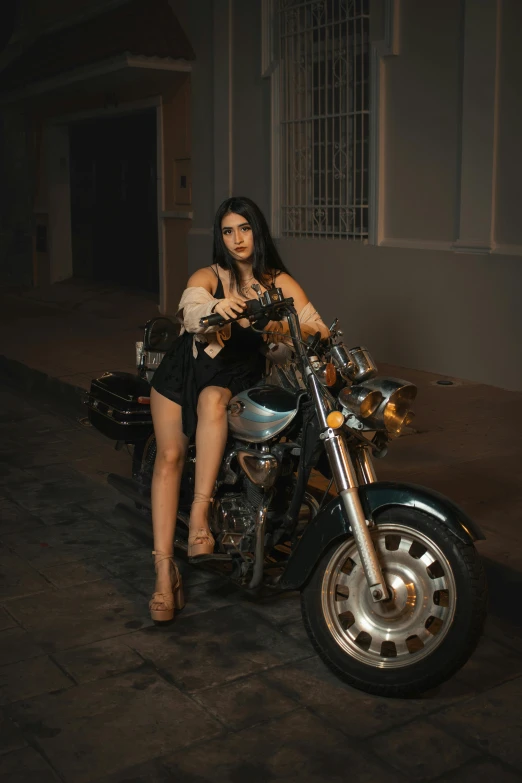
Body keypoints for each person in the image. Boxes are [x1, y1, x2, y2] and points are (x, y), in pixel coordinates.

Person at [148, 196, 329, 621]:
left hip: (231, 381)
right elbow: (190, 308)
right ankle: (162, 572)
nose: (236, 239)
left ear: (257, 231)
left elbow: (315, 327)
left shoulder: (278, 283)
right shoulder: (211, 276)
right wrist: (215, 308)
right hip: (184, 373)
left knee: (216, 402)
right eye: (228, 231)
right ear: (221, 237)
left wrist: (289, 329)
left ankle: (203, 515)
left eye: (244, 228)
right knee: (171, 456)